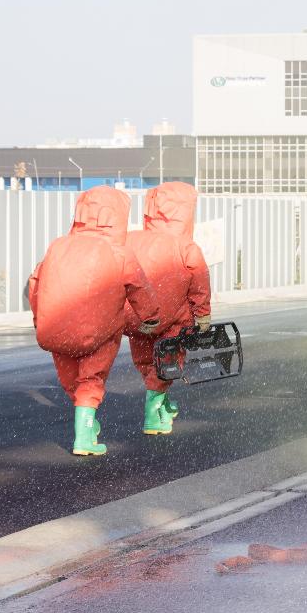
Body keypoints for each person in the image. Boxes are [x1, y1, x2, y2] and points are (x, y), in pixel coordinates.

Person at [28, 186, 161, 456]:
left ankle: (87, 422)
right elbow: (139, 288)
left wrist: (39, 317)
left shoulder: (59, 246)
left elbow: (35, 284)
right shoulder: (118, 252)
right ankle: (84, 436)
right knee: (91, 378)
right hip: (101, 330)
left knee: (70, 379)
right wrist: (150, 318)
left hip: (56, 328)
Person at [123, 182, 212, 436]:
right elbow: (199, 283)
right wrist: (203, 314)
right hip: (170, 316)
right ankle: (153, 415)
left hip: (135, 318)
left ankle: (162, 401)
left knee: (145, 358)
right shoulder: (185, 246)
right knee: (168, 359)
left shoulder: (131, 239)